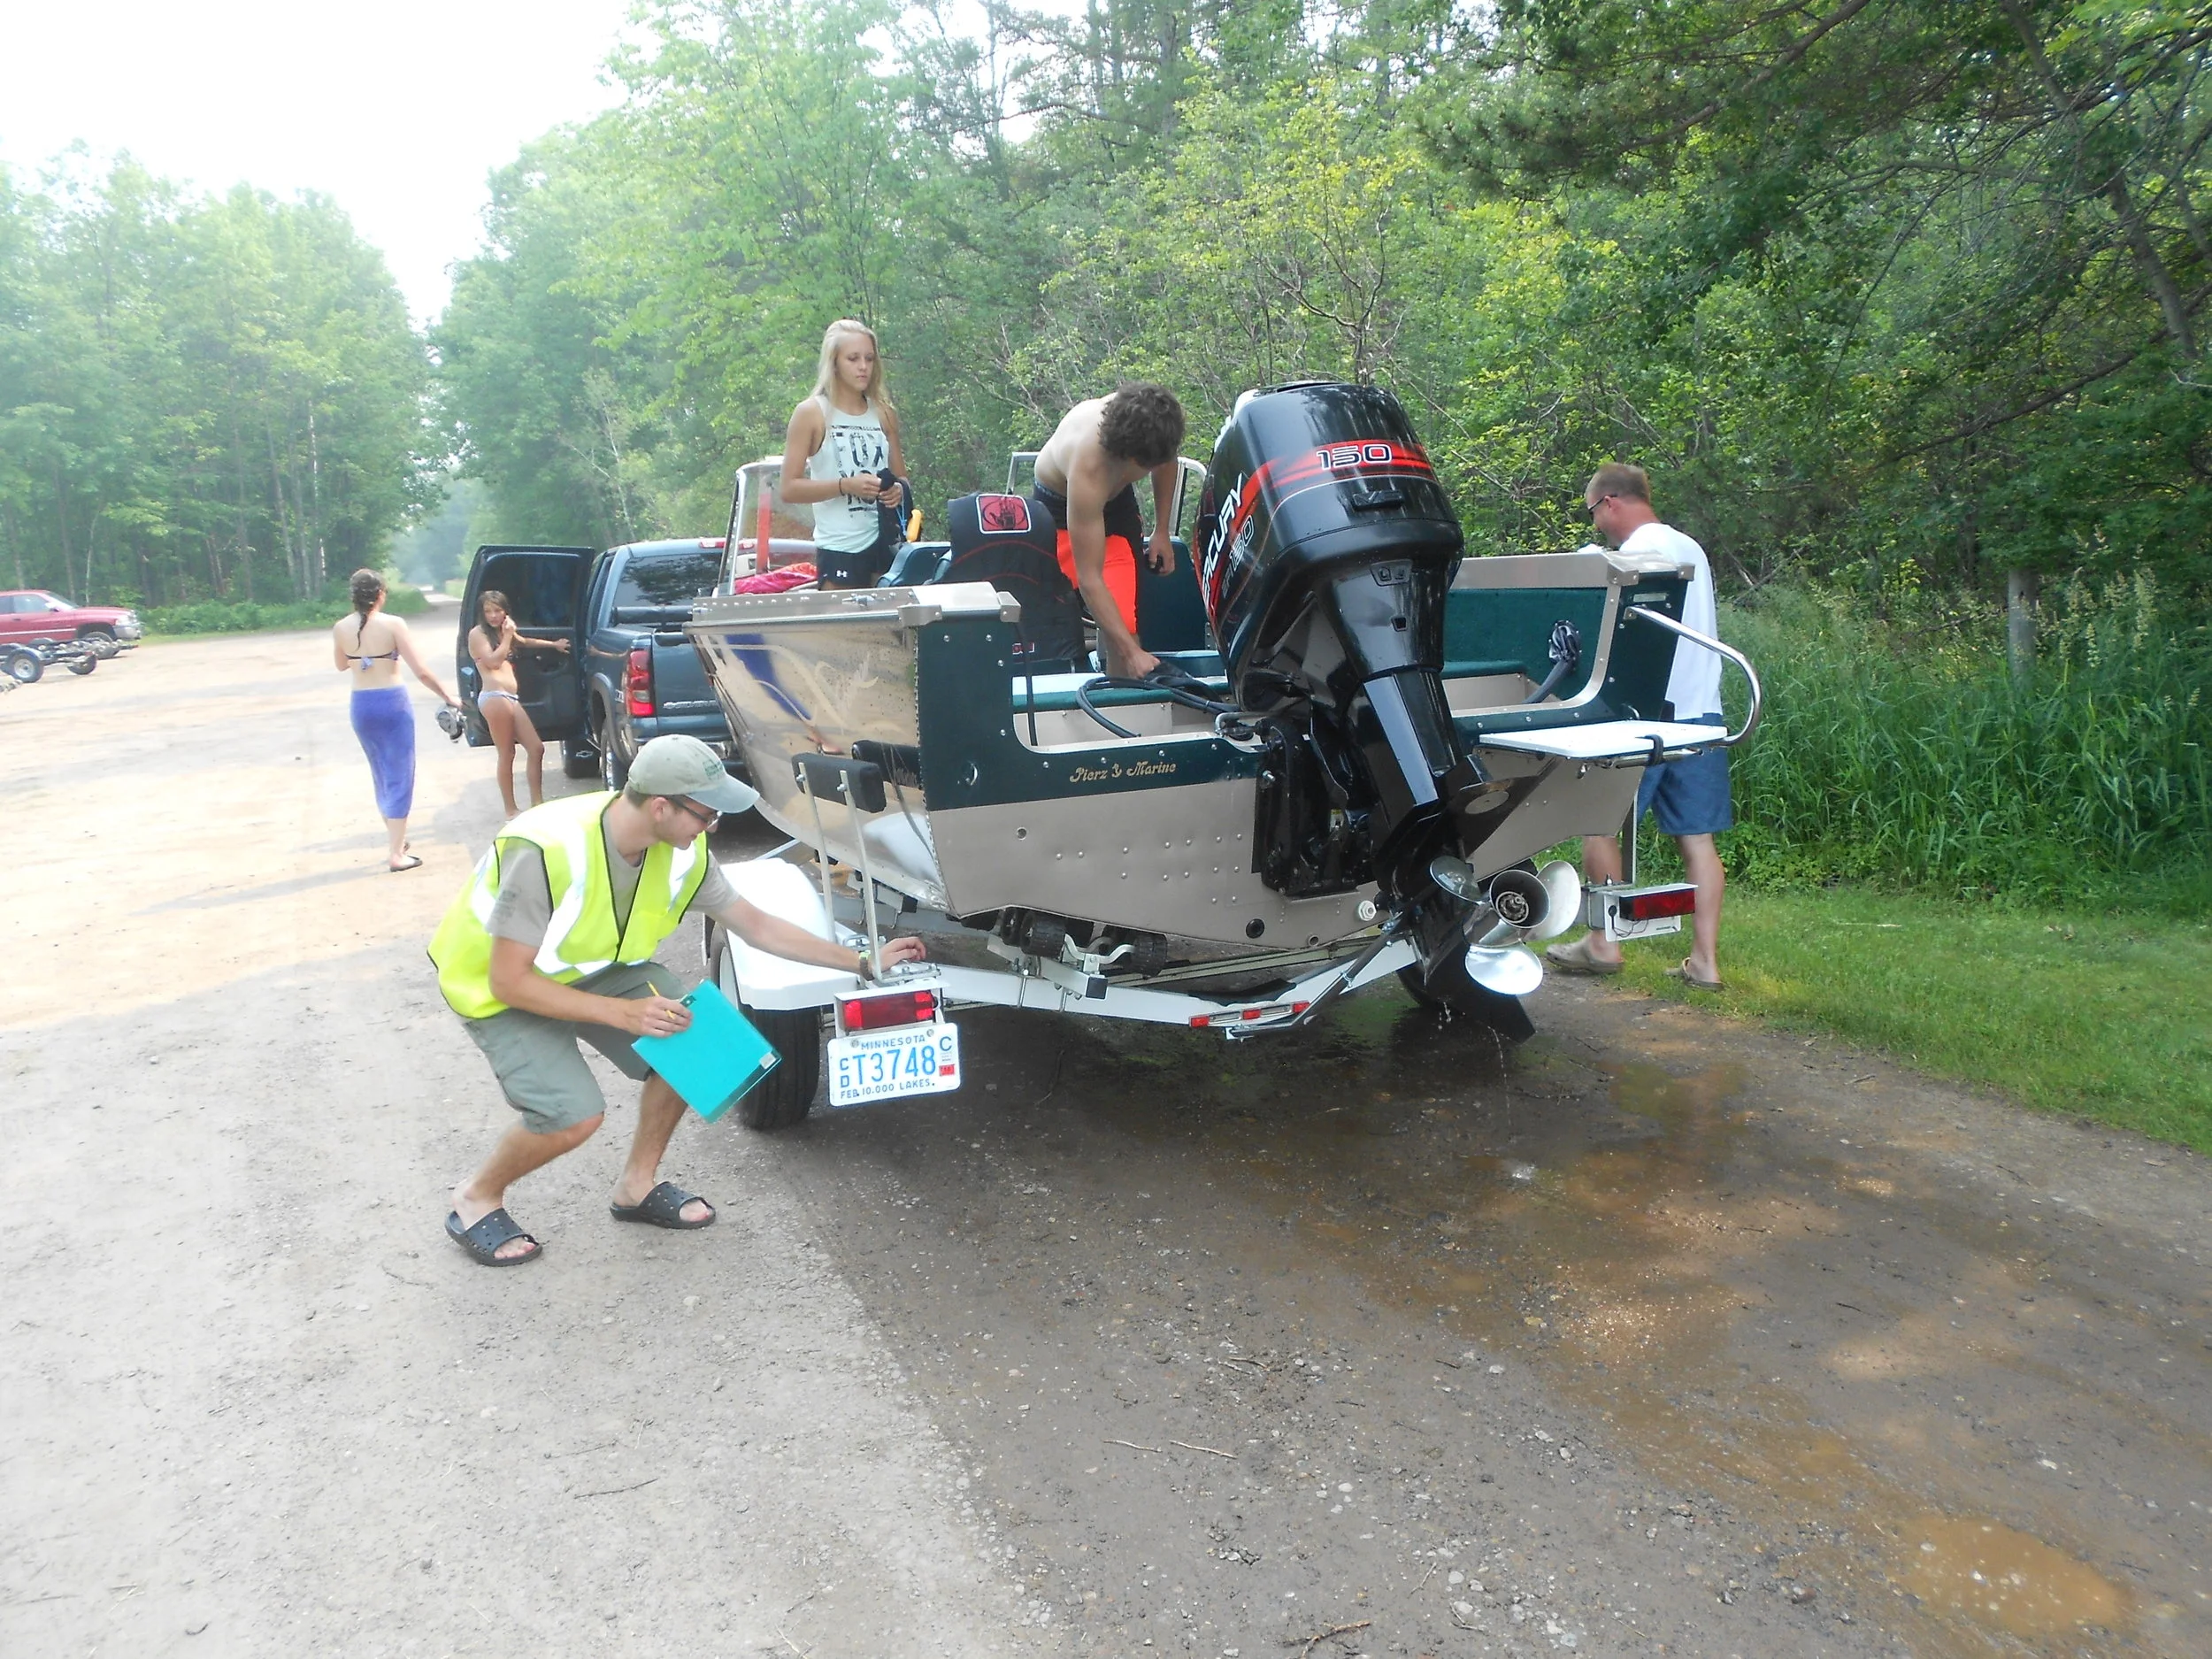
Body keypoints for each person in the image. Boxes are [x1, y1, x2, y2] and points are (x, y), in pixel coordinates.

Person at [431, 734, 928, 1266]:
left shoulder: (681, 853)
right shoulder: (545, 848)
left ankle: (636, 1187)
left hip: (593, 969)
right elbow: (509, 981)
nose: (713, 826)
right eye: (707, 814)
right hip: (500, 988)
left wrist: (861, 961)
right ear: (661, 806)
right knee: (572, 1115)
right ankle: (475, 1196)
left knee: (697, 1043)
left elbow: (756, 924)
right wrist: (622, 1013)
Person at [1546, 463, 1732, 990]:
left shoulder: (1644, 552)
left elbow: (1605, 591)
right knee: (1698, 841)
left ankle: (1604, 944)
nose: (1597, 524)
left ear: (1609, 503)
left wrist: (1585, 563)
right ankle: (1705, 961)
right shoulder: (1688, 546)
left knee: (1598, 824)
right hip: (1701, 718)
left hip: (1647, 720)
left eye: (1593, 513)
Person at [1030, 384, 1187, 680]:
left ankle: (1123, 693)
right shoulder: (1090, 466)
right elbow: (1091, 578)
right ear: (1128, 458)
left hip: (1116, 505)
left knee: (1126, 621)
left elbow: (1166, 460)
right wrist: (1133, 654)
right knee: (1058, 622)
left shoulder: (1155, 421)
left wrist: (1161, 530)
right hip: (1059, 508)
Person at [332, 569, 461, 872]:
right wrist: (449, 696)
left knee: (381, 772)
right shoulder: (393, 624)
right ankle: (396, 854)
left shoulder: (340, 627)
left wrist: (361, 655)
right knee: (401, 773)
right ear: (380, 594)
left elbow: (340, 665)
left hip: (361, 705)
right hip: (392, 702)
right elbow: (422, 671)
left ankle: (397, 842)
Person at [779, 319, 910, 590]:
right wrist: (844, 486)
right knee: (847, 631)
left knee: (891, 632)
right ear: (834, 362)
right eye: (853, 359)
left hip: (887, 543)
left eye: (869, 359)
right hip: (840, 549)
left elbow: (902, 479)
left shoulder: (884, 413)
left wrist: (897, 489)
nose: (863, 367)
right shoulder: (811, 413)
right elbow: (789, 489)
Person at [470, 589, 572, 819]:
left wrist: (553, 644)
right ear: (482, 613)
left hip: (511, 698)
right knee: (507, 753)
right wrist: (507, 636)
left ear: (506, 611)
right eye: (488, 611)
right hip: (494, 697)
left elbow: (524, 642)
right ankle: (510, 809)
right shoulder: (478, 634)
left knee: (537, 748)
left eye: (497, 610)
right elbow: (494, 662)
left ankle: (537, 803)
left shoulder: (503, 632)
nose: (493, 616)